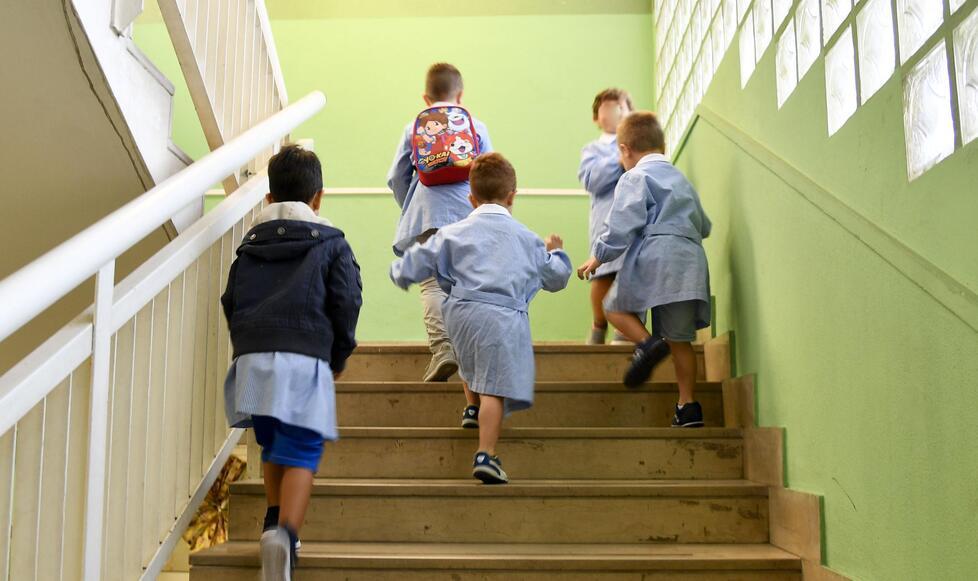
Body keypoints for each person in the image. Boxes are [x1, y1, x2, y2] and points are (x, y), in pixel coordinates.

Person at [221, 145, 362, 580]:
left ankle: (272, 520)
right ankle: (284, 535)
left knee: (271, 444)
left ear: (268, 198)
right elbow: (347, 299)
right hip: (303, 357)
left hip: (253, 359)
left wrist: (246, 346)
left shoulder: (248, 248)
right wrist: (340, 353)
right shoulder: (332, 243)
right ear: (318, 198)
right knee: (301, 447)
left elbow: (230, 299)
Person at [390, 153, 571, 483]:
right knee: (494, 387)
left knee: (469, 356)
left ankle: (471, 407)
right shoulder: (526, 238)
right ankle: (486, 453)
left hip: (461, 312)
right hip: (502, 317)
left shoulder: (455, 232)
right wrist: (556, 252)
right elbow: (556, 277)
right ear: (512, 197)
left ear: (471, 199)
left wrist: (403, 272)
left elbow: (428, 259)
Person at [577, 112, 712, 428]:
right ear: (662, 146)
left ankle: (648, 344)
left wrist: (599, 257)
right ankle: (688, 406)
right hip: (690, 262)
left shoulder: (634, 177)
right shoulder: (682, 179)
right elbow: (704, 226)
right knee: (680, 340)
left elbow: (621, 224)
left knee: (614, 307)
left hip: (655, 255)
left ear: (624, 150)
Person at [387, 62, 493, 382]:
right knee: (468, 282)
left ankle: (443, 348)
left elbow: (396, 177)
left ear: (426, 97)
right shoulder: (476, 125)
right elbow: (489, 172)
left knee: (432, 283)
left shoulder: (413, 127)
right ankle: (471, 348)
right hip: (469, 213)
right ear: (460, 95)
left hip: (428, 214)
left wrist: (411, 206)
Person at [578, 88, 634, 345]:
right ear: (596, 118)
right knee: (603, 276)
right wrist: (620, 159)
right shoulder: (593, 150)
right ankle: (599, 323)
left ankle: (627, 329)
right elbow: (592, 180)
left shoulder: (638, 146)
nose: (614, 113)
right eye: (607, 108)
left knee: (631, 275)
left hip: (634, 224)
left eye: (620, 107)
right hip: (605, 222)